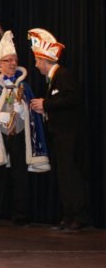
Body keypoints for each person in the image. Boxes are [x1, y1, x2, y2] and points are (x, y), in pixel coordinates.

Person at [0, 31, 50, 226]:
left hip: (19, 135)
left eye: (15, 59)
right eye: (8, 60)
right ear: (0, 63)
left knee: (20, 177)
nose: (12, 63)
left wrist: (24, 111)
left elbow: (35, 113)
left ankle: (21, 215)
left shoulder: (24, 87)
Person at [28, 28, 89, 230]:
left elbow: (71, 98)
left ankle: (78, 215)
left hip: (68, 136)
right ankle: (68, 215)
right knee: (63, 176)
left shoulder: (63, 75)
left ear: (44, 60)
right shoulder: (53, 79)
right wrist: (44, 107)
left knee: (71, 175)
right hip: (59, 136)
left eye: (37, 61)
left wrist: (46, 103)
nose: (36, 65)